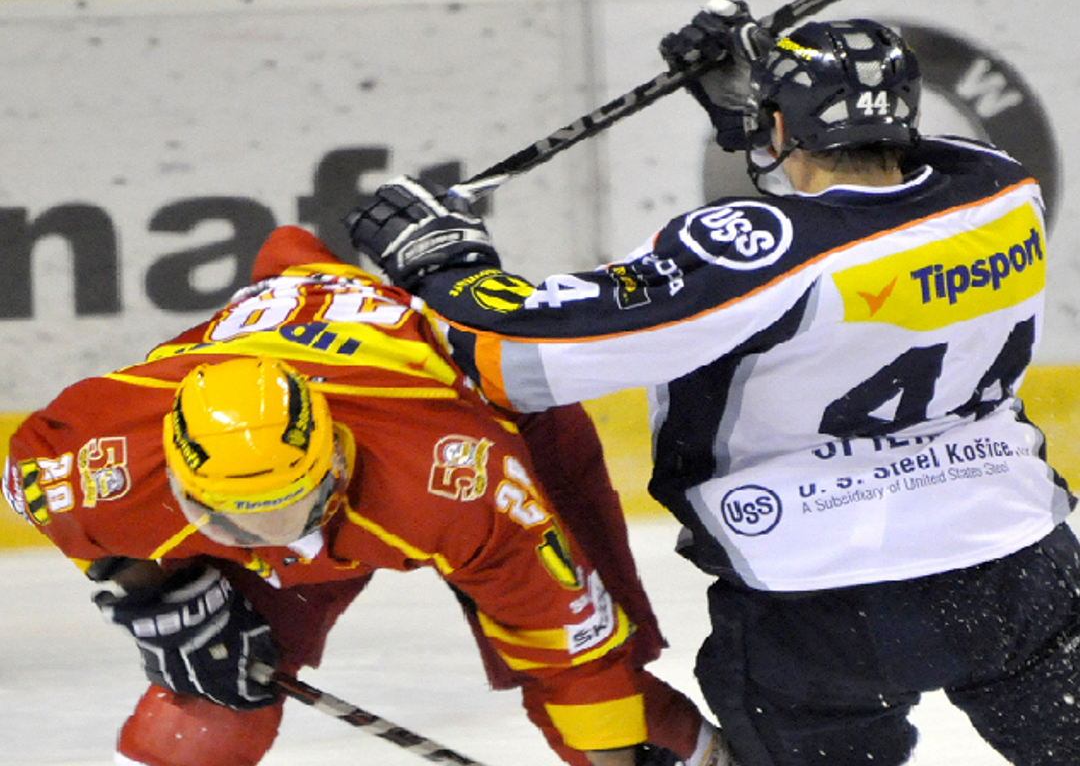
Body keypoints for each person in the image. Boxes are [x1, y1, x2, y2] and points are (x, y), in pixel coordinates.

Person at [343, 5, 1080, 766]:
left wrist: (443, 264)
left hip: (827, 600)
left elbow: (523, 360)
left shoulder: (762, 257)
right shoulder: (1000, 188)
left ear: (785, 129)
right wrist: (760, 106)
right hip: (1015, 565)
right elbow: (877, 166)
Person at [1, 225, 726, 766]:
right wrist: (152, 591)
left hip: (500, 421)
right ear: (175, 472)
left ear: (336, 465)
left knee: (605, 692)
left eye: (287, 509)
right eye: (227, 519)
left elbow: (572, 656)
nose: (267, 542)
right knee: (211, 702)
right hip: (309, 346)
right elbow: (32, 476)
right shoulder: (94, 467)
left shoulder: (460, 482)